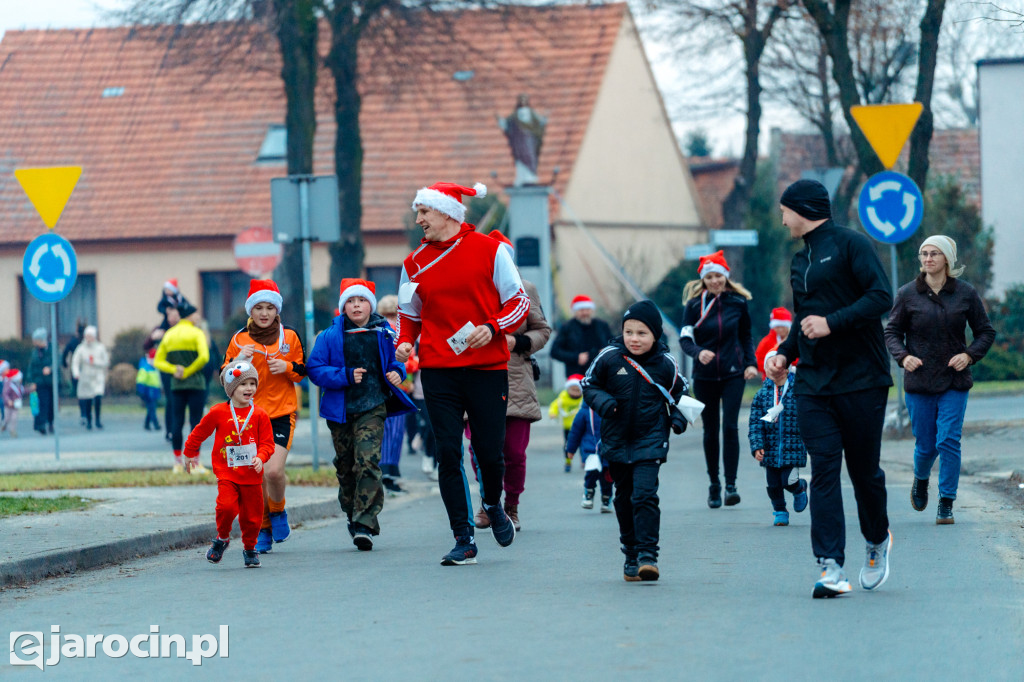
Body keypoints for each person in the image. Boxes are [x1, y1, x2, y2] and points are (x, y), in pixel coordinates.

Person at [766, 178, 894, 599]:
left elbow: (881, 297)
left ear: (803, 208)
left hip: (862, 379)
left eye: (785, 210)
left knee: (863, 474)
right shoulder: (800, 261)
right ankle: (830, 566)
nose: (782, 219)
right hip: (815, 383)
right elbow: (806, 320)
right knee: (823, 469)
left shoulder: (852, 245)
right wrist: (786, 353)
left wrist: (832, 323)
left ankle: (876, 540)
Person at [395, 180, 530, 566]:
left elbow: (518, 303)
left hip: (486, 367)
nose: (418, 219)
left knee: (489, 452)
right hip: (438, 371)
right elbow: (409, 315)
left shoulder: (491, 250)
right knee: (448, 452)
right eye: (418, 212)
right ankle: (463, 537)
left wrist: (492, 327)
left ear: (448, 213)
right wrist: (406, 341)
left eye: (424, 211)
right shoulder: (412, 263)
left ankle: (492, 501)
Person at [884, 235, 995, 525]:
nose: (928, 258)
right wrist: (903, 357)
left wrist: (969, 355)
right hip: (919, 380)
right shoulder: (907, 294)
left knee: (948, 440)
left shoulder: (965, 293)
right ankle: (921, 479)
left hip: (954, 380)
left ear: (947, 258)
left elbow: (986, 332)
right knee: (926, 445)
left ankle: (946, 502)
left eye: (934, 254)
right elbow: (891, 333)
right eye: (924, 254)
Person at [582, 300, 687, 582]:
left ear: (655, 335)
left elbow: (682, 393)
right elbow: (589, 385)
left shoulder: (666, 364)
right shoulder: (609, 357)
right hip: (616, 441)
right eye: (629, 332)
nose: (634, 339)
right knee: (624, 498)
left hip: (651, 440)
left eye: (642, 333)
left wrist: (678, 419)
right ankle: (630, 551)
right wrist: (604, 403)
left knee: (645, 496)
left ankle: (648, 555)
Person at [307, 278, 415, 551]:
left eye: (362, 300)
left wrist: (397, 372)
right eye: (351, 301)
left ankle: (365, 522)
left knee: (367, 461)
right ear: (343, 307)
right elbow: (315, 369)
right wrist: (344, 375)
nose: (356, 306)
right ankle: (352, 514)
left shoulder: (384, 332)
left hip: (373, 406)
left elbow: (397, 362)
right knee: (346, 466)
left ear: (371, 305)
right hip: (340, 410)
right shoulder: (329, 336)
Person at [470, 230, 552, 532]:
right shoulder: (471, 287)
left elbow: (542, 330)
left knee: (514, 453)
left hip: (515, 377)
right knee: (479, 450)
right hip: (475, 376)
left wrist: (517, 343)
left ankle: (511, 506)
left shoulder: (525, 289)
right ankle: (488, 501)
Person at [222, 279, 307, 552]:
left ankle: (279, 511)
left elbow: (303, 371)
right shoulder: (239, 340)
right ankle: (263, 528)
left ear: (276, 310)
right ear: (250, 310)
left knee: (272, 470)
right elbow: (224, 376)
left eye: (269, 307)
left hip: (281, 412)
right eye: (258, 307)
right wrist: (237, 362)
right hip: (249, 417)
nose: (264, 313)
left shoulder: (289, 336)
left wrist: (286, 366)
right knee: (255, 475)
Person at [679, 250, 758, 509]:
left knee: (731, 427)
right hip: (704, 375)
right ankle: (714, 484)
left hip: (734, 371)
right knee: (711, 430)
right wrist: (698, 352)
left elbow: (746, 336)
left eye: (718, 276)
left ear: (726, 276)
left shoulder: (738, 303)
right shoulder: (693, 306)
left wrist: (750, 364)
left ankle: (731, 485)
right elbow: (685, 339)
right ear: (703, 279)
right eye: (710, 276)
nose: (715, 281)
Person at [183, 361, 274, 568]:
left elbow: (268, 443)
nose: (249, 388)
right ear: (231, 388)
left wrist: (261, 457)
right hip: (227, 472)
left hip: (252, 474)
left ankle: (250, 549)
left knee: (252, 516)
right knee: (226, 507)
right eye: (243, 384)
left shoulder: (260, 414)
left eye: (252, 383)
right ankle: (222, 538)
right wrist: (189, 451)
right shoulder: (218, 412)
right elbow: (199, 432)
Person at [748, 359, 808, 527]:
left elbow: (808, 415)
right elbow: (755, 423)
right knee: (773, 484)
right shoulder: (761, 394)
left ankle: (799, 488)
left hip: (793, 446)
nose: (773, 369)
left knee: (788, 480)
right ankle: (780, 511)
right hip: (770, 447)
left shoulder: (799, 390)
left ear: (787, 369)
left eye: (777, 365)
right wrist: (757, 445)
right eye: (769, 365)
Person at [154, 301, 210, 473]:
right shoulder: (196, 333)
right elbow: (204, 357)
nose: (198, 317)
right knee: (196, 423)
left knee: (176, 422)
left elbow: (158, 361)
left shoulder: (169, 335)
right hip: (196, 384)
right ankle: (195, 463)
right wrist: (188, 371)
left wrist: (174, 370)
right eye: (196, 314)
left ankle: (178, 463)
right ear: (190, 315)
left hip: (176, 385)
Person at [376, 294, 411, 495]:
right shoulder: (396, 331)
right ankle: (389, 475)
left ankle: (384, 474)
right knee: (394, 434)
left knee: (384, 433)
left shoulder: (380, 328)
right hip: (399, 386)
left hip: (385, 386)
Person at [565, 402, 613, 513]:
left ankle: (606, 499)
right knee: (592, 472)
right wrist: (571, 449)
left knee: (607, 476)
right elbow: (575, 432)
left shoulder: (611, 409)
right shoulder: (584, 412)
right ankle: (589, 492)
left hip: (608, 449)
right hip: (591, 450)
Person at [550, 295, 613, 378]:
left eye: (587, 310)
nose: (585, 313)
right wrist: (576, 358)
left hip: (601, 373)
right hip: (576, 375)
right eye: (581, 310)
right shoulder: (567, 328)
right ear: (575, 311)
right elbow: (555, 351)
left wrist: (606, 351)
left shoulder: (602, 325)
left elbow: (613, 343)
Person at [145, 306, 180, 442]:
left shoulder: (182, 330)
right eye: (170, 315)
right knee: (170, 399)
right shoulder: (160, 329)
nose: (172, 318)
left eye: (175, 315)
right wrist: (153, 338)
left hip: (179, 367)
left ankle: (176, 429)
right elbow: (146, 345)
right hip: (166, 368)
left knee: (178, 400)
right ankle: (170, 430)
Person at [71, 326, 109, 430]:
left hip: (97, 377)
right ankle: (88, 420)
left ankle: (98, 420)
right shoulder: (81, 348)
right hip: (86, 377)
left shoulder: (100, 348)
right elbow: (75, 362)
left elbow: (105, 362)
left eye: (91, 336)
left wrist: (94, 362)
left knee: (97, 398)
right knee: (87, 400)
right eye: (87, 336)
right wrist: (76, 373)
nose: (89, 338)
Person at [548, 374, 585, 461]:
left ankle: (584, 459)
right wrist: (553, 413)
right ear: (568, 389)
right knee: (568, 444)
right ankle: (568, 460)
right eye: (573, 390)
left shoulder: (584, 399)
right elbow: (555, 405)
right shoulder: (563, 398)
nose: (575, 392)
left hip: (582, 426)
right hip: (568, 426)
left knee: (583, 443)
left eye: (577, 390)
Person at [27, 328, 55, 435]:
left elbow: (57, 361)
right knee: (42, 403)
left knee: (51, 404)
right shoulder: (35, 352)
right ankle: (41, 425)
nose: (35, 343)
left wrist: (50, 368)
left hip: (51, 382)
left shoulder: (52, 349)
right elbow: (31, 367)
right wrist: (32, 381)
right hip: (39, 382)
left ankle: (50, 422)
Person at [755, 308, 794, 381]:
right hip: (770, 380)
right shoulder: (766, 341)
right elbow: (758, 360)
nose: (780, 329)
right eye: (777, 327)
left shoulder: (794, 341)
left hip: (791, 379)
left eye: (783, 326)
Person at [137, 348, 162, 431]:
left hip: (154, 391)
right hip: (148, 391)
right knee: (152, 409)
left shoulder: (154, 368)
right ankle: (156, 424)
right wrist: (141, 391)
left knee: (150, 409)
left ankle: (146, 424)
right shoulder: (145, 368)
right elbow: (140, 380)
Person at [61, 320, 85, 398]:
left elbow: (65, 351)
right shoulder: (85, 342)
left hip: (76, 364)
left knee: (76, 379)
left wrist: (64, 362)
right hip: (84, 364)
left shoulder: (73, 341)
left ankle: (76, 394)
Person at [1, 368, 25, 438]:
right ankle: (4, 425)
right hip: (8, 405)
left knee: (14, 418)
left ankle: (12, 430)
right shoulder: (8, 384)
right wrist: (8, 400)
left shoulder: (19, 385)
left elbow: (23, 391)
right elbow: (5, 394)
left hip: (16, 404)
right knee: (7, 418)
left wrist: (30, 389)